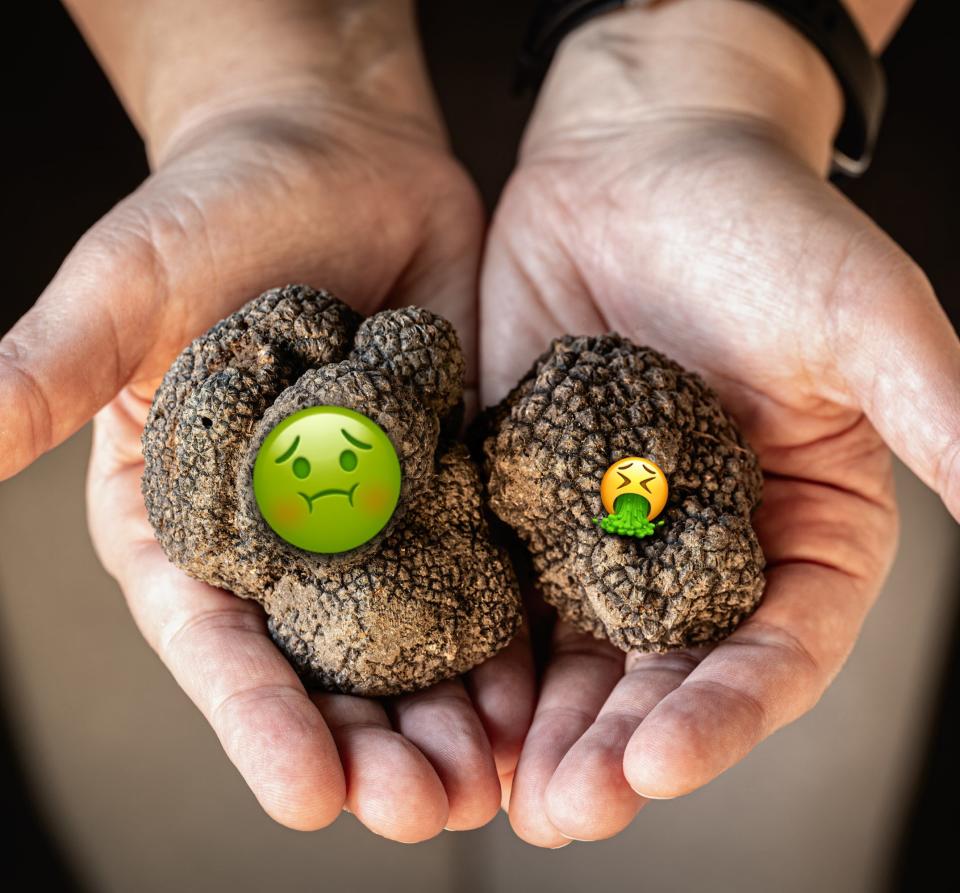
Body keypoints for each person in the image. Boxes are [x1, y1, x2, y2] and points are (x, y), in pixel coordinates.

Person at [1, 0, 956, 848]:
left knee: (740, 811)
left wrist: (717, 76)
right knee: (194, 807)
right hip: (141, 362)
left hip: (781, 397)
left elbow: (625, 493)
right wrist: (268, 95)